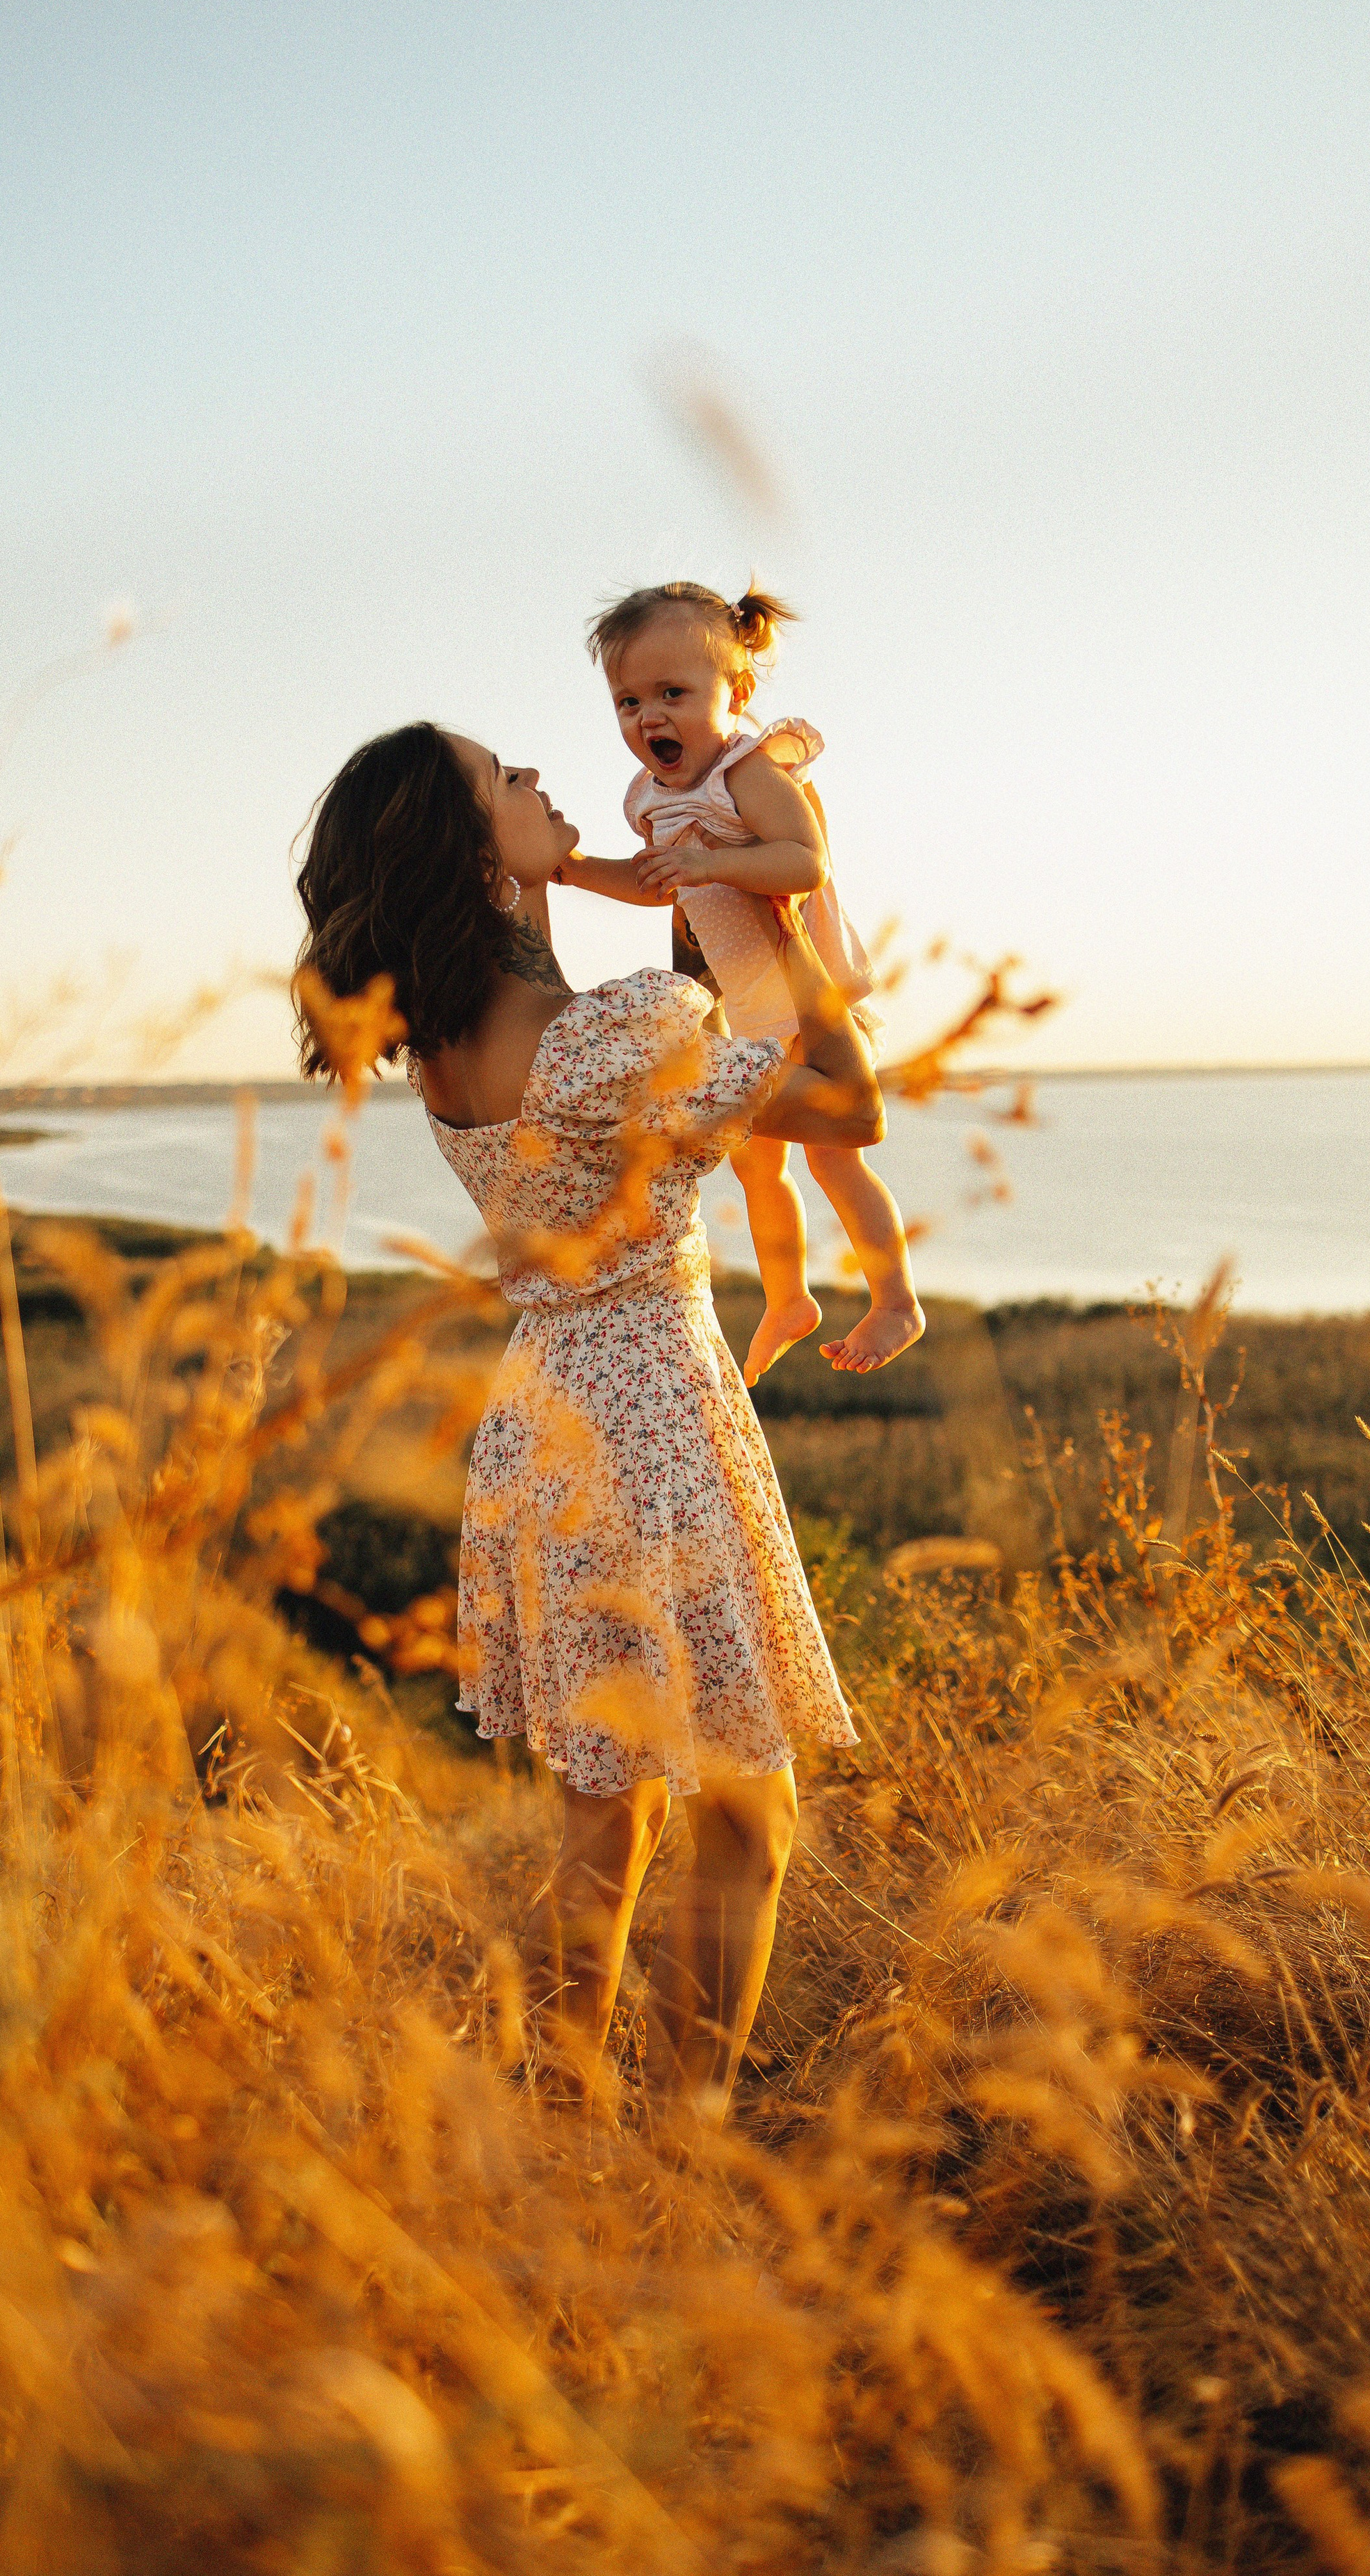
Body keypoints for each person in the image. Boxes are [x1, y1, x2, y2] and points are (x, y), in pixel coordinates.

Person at [292, 721, 885, 2112]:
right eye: (506, 783)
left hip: (551, 1414)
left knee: (600, 1818)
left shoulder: (450, 1042)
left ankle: (568, 2121)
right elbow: (845, 1105)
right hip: (649, 1421)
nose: (542, 785)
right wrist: (777, 910)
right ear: (472, 856)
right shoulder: (595, 1039)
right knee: (747, 1808)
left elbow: (666, 1093)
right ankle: (681, 2141)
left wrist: (697, 919)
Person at [560, 580, 925, 1386]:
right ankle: (788, 1297)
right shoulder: (650, 797)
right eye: (627, 702)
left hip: (798, 998)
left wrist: (711, 860)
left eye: (672, 694)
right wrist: (576, 870)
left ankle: (895, 1298)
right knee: (758, 1165)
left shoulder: (746, 772)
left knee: (834, 1160)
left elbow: (803, 859)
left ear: (738, 693)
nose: (648, 717)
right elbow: (652, 881)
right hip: (735, 1010)